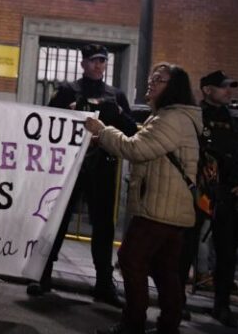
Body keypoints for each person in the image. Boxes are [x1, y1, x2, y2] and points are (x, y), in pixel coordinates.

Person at [85, 62, 201, 334]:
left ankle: (132, 325)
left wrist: (102, 131)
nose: (151, 82)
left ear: (174, 87)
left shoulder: (172, 118)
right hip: (170, 206)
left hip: (160, 208)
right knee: (164, 269)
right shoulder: (172, 116)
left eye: (159, 80)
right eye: (152, 78)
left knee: (130, 259)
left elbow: (136, 149)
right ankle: (167, 326)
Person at [27, 43, 137, 307]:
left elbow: (132, 130)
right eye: (92, 60)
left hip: (103, 166)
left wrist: (119, 113)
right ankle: (42, 274)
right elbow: (47, 121)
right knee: (58, 220)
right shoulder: (68, 90)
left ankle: (103, 283)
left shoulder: (115, 95)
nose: (97, 65)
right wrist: (70, 111)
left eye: (101, 60)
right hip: (71, 165)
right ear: (83, 63)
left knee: (103, 226)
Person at [196, 70, 238, 328]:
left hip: (227, 196)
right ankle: (176, 303)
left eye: (229, 87)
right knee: (185, 248)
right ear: (207, 90)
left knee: (226, 253)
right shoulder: (194, 115)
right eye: (223, 87)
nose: (228, 91)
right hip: (197, 192)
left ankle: (220, 305)